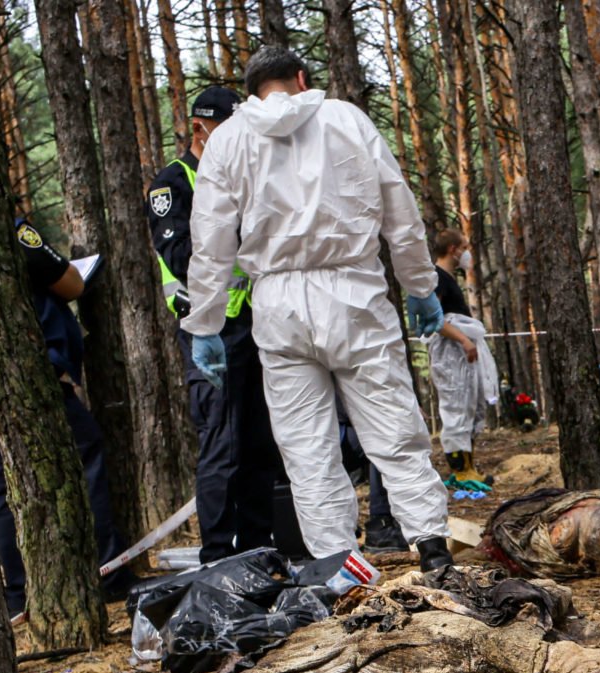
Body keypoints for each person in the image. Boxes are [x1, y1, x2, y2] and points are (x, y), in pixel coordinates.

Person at [182, 46, 454, 574]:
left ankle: (338, 565)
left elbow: (210, 242)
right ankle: (433, 548)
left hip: (277, 304)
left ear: (251, 91)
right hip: (355, 293)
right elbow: (399, 210)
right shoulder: (345, 120)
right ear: (302, 79)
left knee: (307, 446)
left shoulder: (229, 140)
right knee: (393, 426)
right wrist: (420, 285)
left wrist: (206, 324)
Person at [0, 220, 128, 616]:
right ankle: (107, 573)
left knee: (0, 478)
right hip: (26, 370)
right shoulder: (6, 227)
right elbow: (71, 284)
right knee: (85, 453)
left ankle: (19, 594)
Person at [147, 85, 301, 565]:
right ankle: (217, 554)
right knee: (222, 443)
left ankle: (259, 546)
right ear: (200, 128)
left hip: (257, 322)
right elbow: (181, 255)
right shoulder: (174, 183)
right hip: (209, 330)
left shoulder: (245, 175)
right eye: (227, 129)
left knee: (260, 443)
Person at [423, 228, 498, 491]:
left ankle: (469, 467)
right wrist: (463, 340)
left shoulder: (449, 278)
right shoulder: (436, 277)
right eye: (464, 248)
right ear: (452, 249)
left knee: (469, 407)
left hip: (462, 353)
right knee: (456, 406)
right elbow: (434, 319)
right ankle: (460, 470)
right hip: (450, 353)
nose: (467, 253)